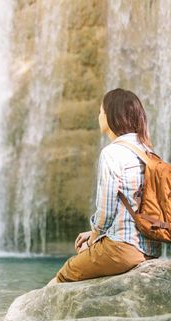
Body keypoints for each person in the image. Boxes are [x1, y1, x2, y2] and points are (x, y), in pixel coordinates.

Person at [48, 88, 161, 285]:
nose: (99, 116)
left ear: (112, 117)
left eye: (101, 112)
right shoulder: (148, 152)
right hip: (149, 250)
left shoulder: (113, 153)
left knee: (65, 274)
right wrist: (94, 236)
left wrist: (93, 238)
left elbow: (106, 211)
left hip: (122, 249)